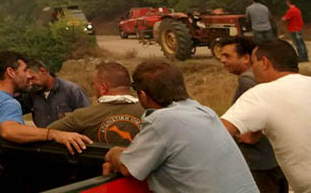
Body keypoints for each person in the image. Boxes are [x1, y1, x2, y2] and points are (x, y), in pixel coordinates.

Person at [103, 59, 258, 193]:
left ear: (143, 95)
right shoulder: (204, 112)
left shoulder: (162, 120)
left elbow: (127, 167)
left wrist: (114, 153)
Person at [222, 40, 311, 193]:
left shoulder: (260, 94)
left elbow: (217, 132)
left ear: (264, 62)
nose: (252, 69)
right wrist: (257, 131)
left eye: (253, 62)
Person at [0, 51, 92, 154]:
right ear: (10, 72)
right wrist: (54, 134)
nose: (27, 76)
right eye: (24, 70)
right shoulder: (8, 103)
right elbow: (10, 131)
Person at [218, 37, 287, 193]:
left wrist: (253, 135)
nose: (222, 60)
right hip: (274, 158)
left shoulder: (247, 81)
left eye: (227, 56)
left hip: (259, 160)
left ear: (246, 58)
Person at [47, 62, 143, 145]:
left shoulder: (82, 116)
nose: (94, 87)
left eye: (94, 84)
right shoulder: (150, 112)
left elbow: (47, 132)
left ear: (103, 88)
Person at [20, 58, 90, 127]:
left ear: (43, 70)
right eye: (28, 80)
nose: (31, 83)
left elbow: (86, 118)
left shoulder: (72, 90)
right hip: (43, 137)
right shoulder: (31, 93)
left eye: (33, 78)